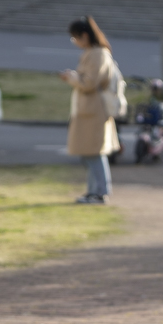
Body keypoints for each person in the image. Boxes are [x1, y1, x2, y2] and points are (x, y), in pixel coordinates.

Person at [62, 16, 120, 204]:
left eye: (75, 38)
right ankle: (93, 191)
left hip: (94, 110)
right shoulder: (96, 52)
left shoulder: (97, 54)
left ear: (84, 36)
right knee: (90, 153)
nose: (75, 42)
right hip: (90, 109)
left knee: (94, 153)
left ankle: (100, 192)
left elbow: (89, 83)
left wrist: (71, 77)